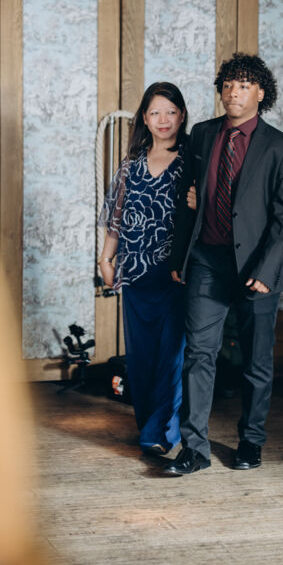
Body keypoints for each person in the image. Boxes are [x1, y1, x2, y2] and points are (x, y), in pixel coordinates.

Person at [162, 53, 283, 476]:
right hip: (206, 259)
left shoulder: (282, 147)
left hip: (257, 268)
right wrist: (180, 256)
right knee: (198, 355)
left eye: (243, 85)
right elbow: (186, 198)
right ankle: (194, 448)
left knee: (255, 361)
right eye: (227, 85)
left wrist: (266, 270)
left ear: (260, 93)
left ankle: (251, 441)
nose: (232, 93)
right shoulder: (202, 135)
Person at [97, 82, 191, 457]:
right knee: (142, 358)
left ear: (182, 116)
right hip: (136, 275)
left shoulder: (192, 162)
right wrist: (106, 260)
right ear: (145, 119)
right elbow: (115, 219)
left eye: (171, 111)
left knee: (172, 357)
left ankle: (161, 431)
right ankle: (148, 424)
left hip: (176, 276)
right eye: (155, 112)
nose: (163, 119)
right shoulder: (131, 165)